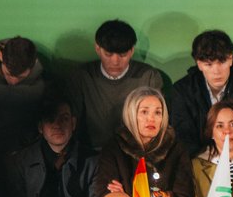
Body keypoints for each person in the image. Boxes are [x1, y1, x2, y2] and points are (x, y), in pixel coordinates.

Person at [95, 88, 193, 197]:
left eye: (158, 112)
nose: (151, 118)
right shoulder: (114, 147)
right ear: (131, 115)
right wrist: (166, 196)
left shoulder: (176, 147)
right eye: (144, 112)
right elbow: (106, 195)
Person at [7, 98, 99, 197]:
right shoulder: (21, 161)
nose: (57, 124)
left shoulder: (92, 161)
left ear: (73, 123)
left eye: (64, 118)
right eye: (50, 119)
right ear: (40, 127)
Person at [67, 19, 165, 150]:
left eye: (123, 55)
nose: (115, 62)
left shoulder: (148, 76)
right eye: (108, 54)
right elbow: (72, 121)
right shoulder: (82, 76)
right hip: (94, 152)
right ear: (98, 49)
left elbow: (158, 123)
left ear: (131, 51)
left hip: (136, 150)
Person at [170, 30, 233, 156]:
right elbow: (183, 138)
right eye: (209, 64)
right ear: (199, 64)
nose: (216, 71)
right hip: (197, 163)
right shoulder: (182, 91)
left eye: (222, 62)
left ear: (231, 59)